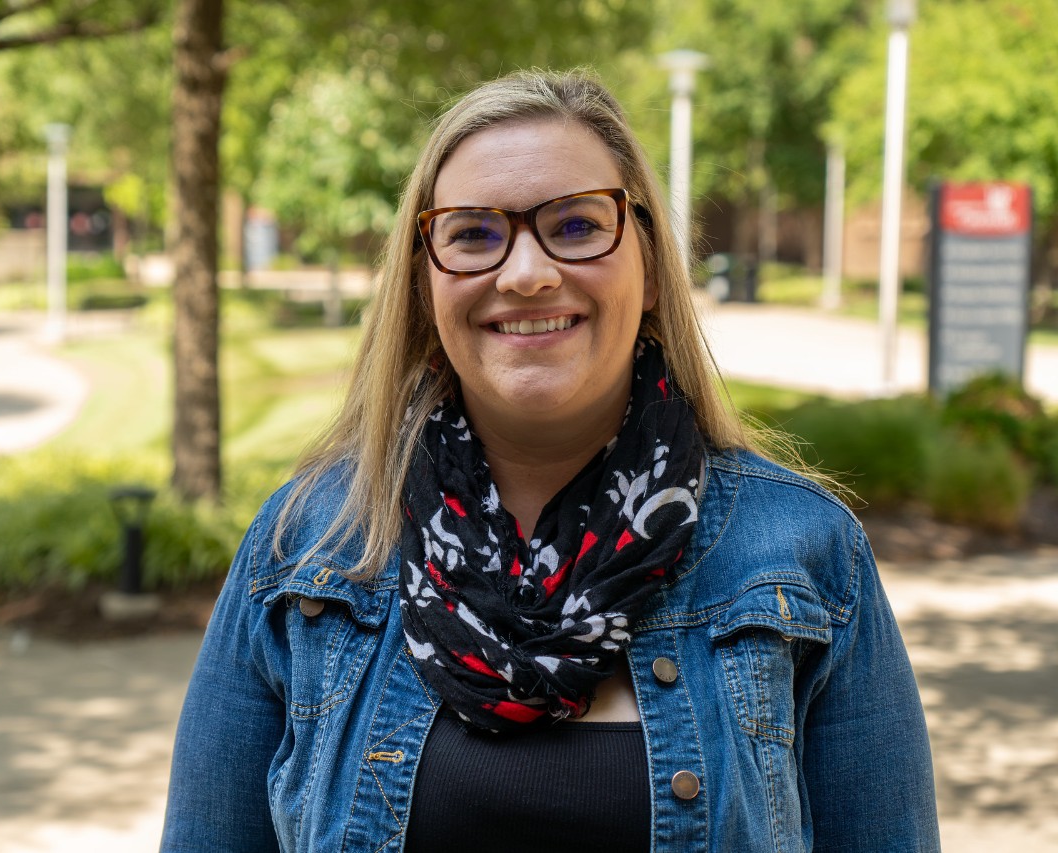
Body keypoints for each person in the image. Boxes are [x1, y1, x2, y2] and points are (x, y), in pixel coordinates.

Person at [159, 69, 939, 852]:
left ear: (654, 270)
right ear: (424, 285)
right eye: (473, 233)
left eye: (574, 226)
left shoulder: (804, 556)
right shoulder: (307, 550)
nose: (526, 273)